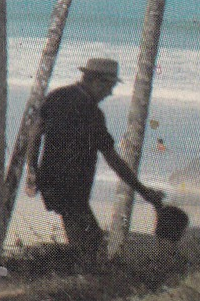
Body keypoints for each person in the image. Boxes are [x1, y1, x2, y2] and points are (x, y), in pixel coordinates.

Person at [24, 57, 165, 261]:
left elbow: (35, 134)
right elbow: (113, 160)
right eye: (109, 86)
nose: (110, 93)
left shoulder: (56, 97)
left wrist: (32, 170)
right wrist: (143, 191)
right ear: (96, 81)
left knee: (83, 241)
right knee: (89, 246)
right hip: (72, 188)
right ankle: (75, 282)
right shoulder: (92, 113)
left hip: (52, 182)